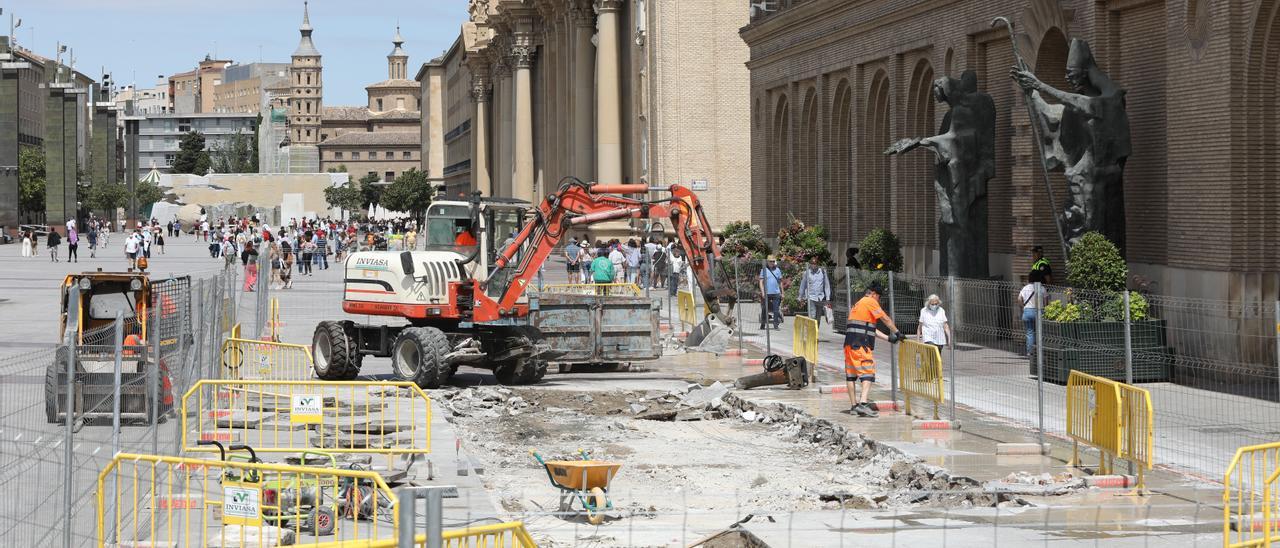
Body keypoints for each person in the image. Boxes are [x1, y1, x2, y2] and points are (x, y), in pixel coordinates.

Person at [844, 281, 904, 417]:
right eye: (879, 297)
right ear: (874, 294)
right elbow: (885, 319)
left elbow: (870, 328)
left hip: (849, 345)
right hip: (860, 345)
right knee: (868, 373)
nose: (879, 300)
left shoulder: (858, 304)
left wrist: (888, 338)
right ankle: (863, 404)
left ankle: (854, 406)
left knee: (851, 376)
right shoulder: (870, 301)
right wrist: (898, 333)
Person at [797, 256, 832, 325]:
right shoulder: (807, 273)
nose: (813, 265)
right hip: (811, 297)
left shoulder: (822, 272)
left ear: (817, 264)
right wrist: (800, 297)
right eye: (812, 263)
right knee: (812, 316)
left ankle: (816, 332)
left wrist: (828, 298)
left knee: (818, 317)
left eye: (815, 263)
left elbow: (827, 285)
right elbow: (803, 285)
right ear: (810, 264)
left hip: (820, 298)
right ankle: (812, 333)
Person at [1019, 279, 1046, 357]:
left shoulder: (1025, 288)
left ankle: (1030, 352)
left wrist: (1024, 307)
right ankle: (1040, 352)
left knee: (1030, 333)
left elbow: (1019, 299)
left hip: (1027, 311)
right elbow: (1046, 301)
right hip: (1039, 312)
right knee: (1040, 332)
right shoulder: (1042, 288)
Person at [758, 256, 783, 330]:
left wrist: (782, 292)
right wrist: (762, 292)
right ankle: (763, 323)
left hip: (776, 293)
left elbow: (780, 282)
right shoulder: (764, 270)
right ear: (767, 262)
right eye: (770, 261)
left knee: (776, 310)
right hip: (767, 293)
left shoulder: (778, 270)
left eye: (773, 261)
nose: (772, 263)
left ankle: (776, 325)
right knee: (765, 309)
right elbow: (761, 282)